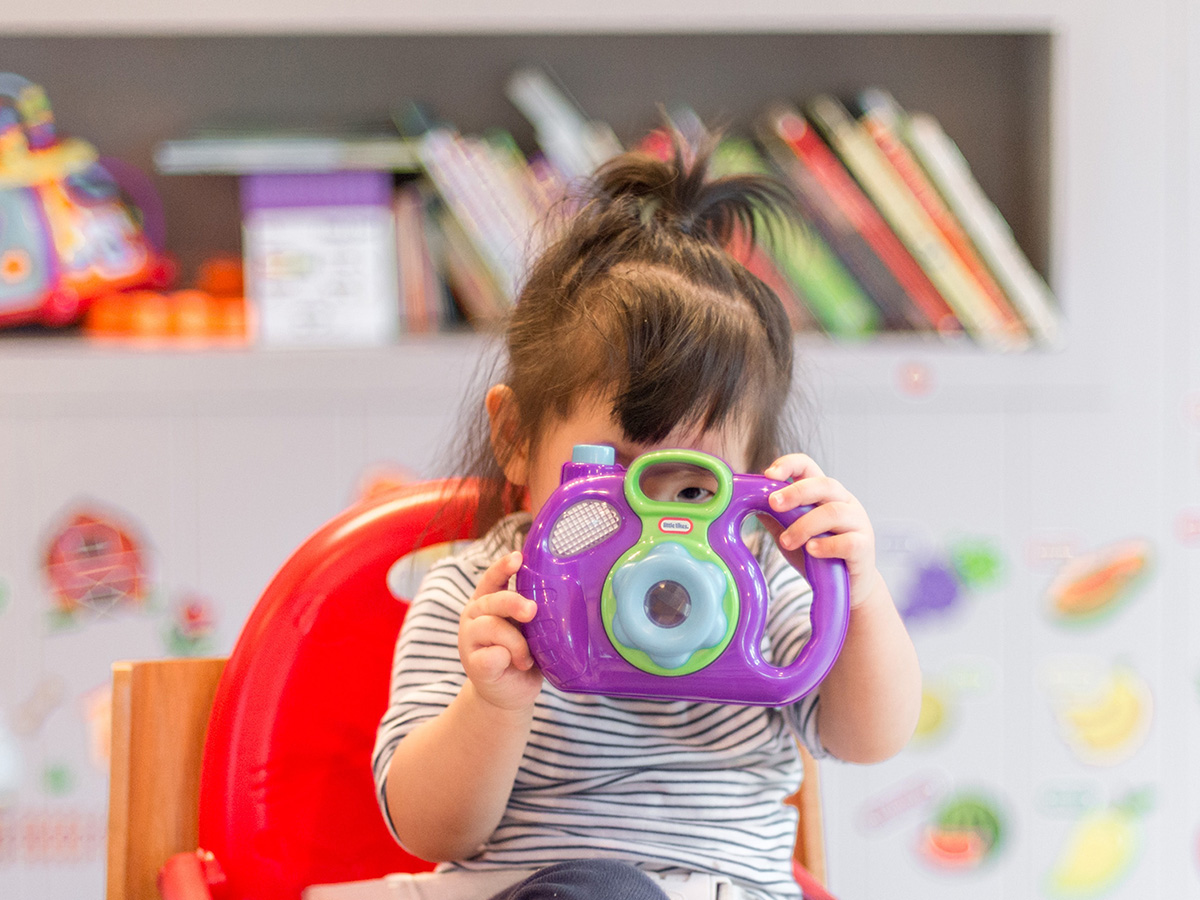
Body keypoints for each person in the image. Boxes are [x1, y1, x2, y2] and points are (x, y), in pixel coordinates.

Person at [372, 134, 922, 900]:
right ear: (517, 439)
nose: (655, 523)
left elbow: (869, 737)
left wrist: (856, 596)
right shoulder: (482, 595)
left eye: (696, 490)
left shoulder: (754, 585)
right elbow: (432, 830)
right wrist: (492, 702)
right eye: (618, 474)